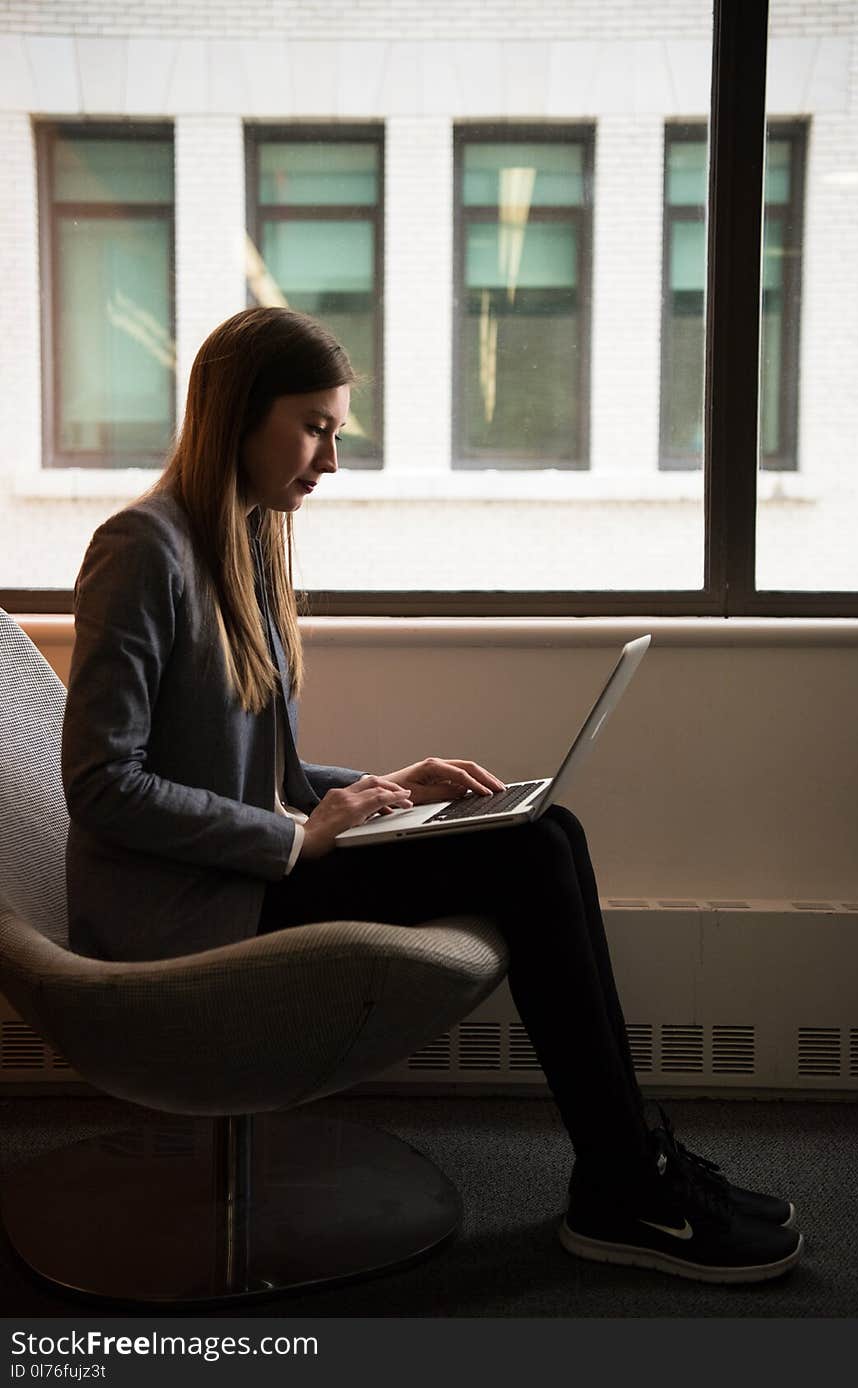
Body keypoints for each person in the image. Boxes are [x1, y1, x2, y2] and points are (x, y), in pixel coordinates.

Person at [61, 305, 803, 1286]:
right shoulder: (141, 549)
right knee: (531, 853)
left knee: (546, 826)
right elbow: (102, 784)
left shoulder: (246, 541)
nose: (330, 456)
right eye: (315, 425)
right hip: (177, 909)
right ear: (240, 414)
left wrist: (376, 788)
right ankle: (625, 1179)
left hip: (240, 868)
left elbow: (268, 776)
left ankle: (631, 1162)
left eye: (335, 429)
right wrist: (297, 841)